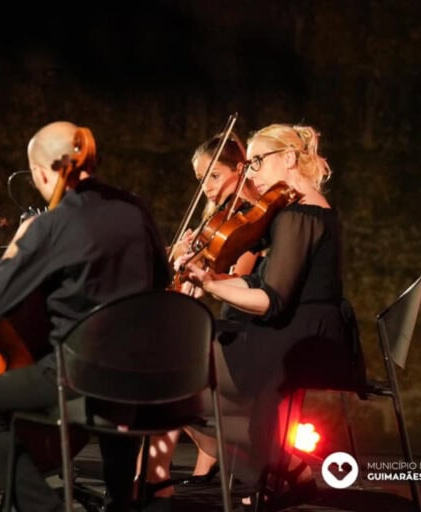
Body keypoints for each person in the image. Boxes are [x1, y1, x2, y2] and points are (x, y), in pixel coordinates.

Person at [0, 121, 171, 512]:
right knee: (113, 384)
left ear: (39, 172)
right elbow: (162, 279)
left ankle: (43, 507)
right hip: (144, 377)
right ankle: (120, 501)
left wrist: (19, 242)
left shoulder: (52, 225)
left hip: (78, 376)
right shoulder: (136, 209)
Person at [177, 123, 360, 509]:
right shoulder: (297, 213)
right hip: (309, 330)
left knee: (177, 371)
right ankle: (278, 468)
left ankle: (281, 467)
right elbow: (258, 283)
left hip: (304, 338)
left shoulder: (300, 216)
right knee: (189, 368)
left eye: (258, 161)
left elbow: (270, 300)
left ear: (290, 159)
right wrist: (211, 277)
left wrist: (211, 285)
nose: (252, 171)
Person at [142, 133, 260, 498]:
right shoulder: (223, 217)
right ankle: (202, 457)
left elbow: (241, 278)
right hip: (228, 320)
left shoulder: (250, 219)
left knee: (159, 367)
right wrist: (182, 256)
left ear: (239, 169)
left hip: (249, 330)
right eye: (201, 179)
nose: (207, 187)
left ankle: (190, 460)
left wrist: (204, 270)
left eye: (213, 175)